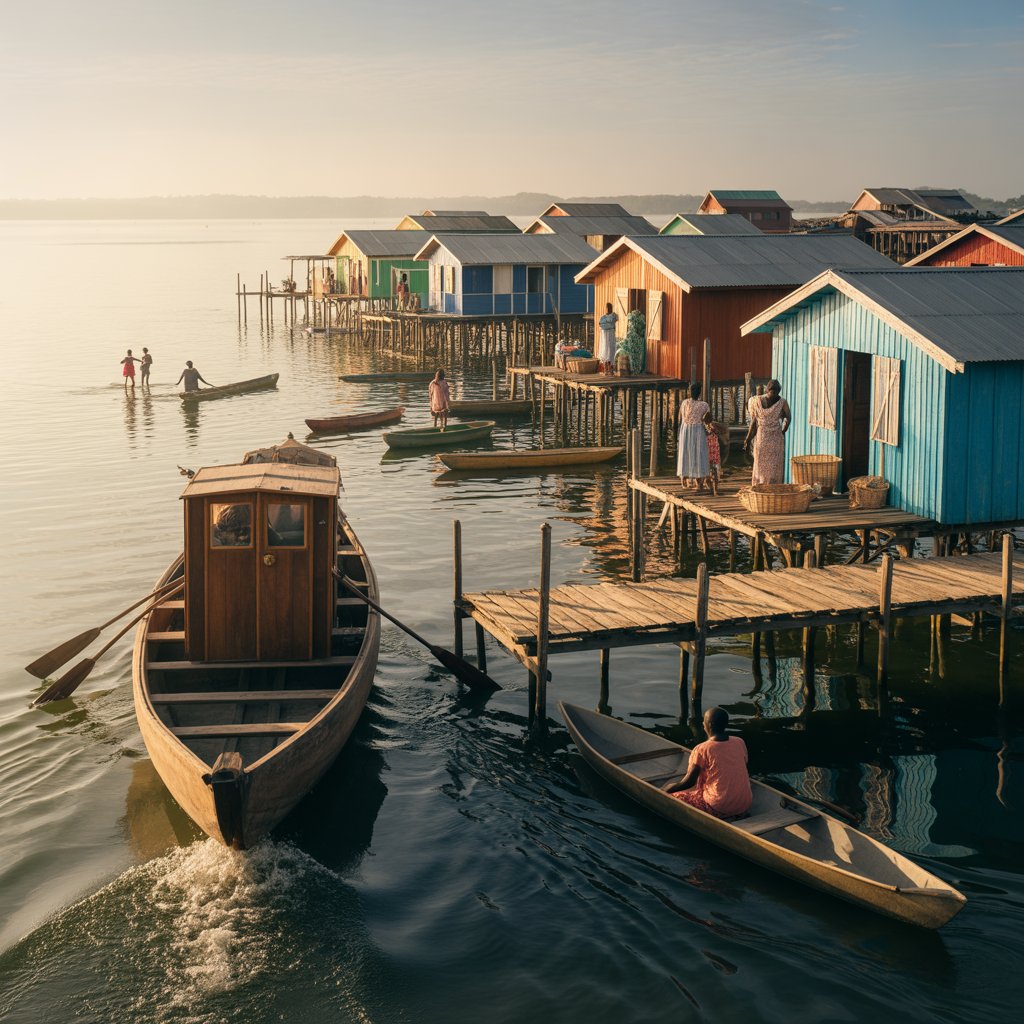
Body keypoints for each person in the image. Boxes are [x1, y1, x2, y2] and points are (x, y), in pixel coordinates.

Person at [663, 706, 752, 820]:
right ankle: (737, 813)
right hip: (744, 803)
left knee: (676, 796)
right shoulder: (739, 742)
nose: (702, 723)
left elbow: (689, 782)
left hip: (719, 805)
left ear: (708, 725)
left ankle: (720, 814)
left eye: (704, 721)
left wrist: (668, 789)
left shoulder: (702, 749)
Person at [743, 379, 791, 484]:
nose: (773, 395)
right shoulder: (781, 402)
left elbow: (754, 423)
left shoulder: (758, 401)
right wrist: (783, 430)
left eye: (774, 393)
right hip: (771, 438)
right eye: (772, 392)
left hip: (766, 438)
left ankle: (762, 485)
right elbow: (788, 417)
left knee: (763, 465)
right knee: (771, 465)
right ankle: (770, 486)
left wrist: (747, 439)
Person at [677, 383, 711, 492]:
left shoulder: (684, 403)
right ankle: (699, 483)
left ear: (689, 392)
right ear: (700, 392)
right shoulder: (704, 405)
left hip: (685, 430)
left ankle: (684, 481)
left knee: (685, 453)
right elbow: (708, 420)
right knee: (699, 455)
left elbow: (680, 418)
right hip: (698, 431)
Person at [597, 302, 618, 374]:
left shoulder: (613, 315)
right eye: (607, 308)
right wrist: (607, 324)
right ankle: (606, 369)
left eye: (609, 307)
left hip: (611, 335)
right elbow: (601, 324)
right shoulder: (603, 317)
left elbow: (611, 322)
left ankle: (611, 369)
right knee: (605, 350)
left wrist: (606, 324)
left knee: (611, 351)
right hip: (604, 336)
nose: (608, 309)